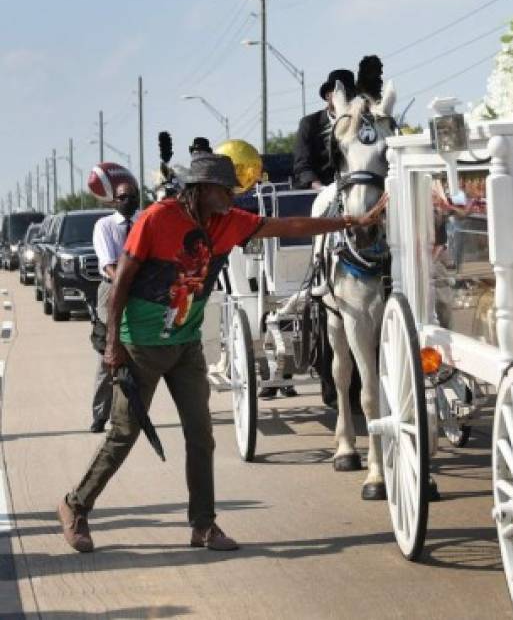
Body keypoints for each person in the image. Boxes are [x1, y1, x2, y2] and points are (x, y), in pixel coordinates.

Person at [58, 151, 386, 554]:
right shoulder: (156, 219)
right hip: (140, 345)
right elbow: (122, 279)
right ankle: (76, 505)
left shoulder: (230, 222)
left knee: (201, 436)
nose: (231, 196)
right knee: (124, 433)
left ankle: (203, 526)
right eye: (224, 190)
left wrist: (351, 220)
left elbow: (291, 224)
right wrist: (112, 345)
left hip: (185, 345)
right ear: (200, 189)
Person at [89, 175, 141, 433]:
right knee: (107, 353)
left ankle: (132, 413)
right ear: (113, 201)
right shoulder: (105, 225)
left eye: (133, 197)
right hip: (111, 289)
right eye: (123, 197)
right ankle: (100, 415)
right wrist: (126, 283)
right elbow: (109, 265)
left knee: (142, 353)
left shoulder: (144, 221)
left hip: (142, 291)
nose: (128, 201)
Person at [292, 69, 356, 189]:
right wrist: (320, 188)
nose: (345, 98)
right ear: (328, 95)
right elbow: (302, 165)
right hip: (319, 191)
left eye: (349, 94)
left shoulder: (361, 124)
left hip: (355, 189)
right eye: (339, 93)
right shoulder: (310, 124)